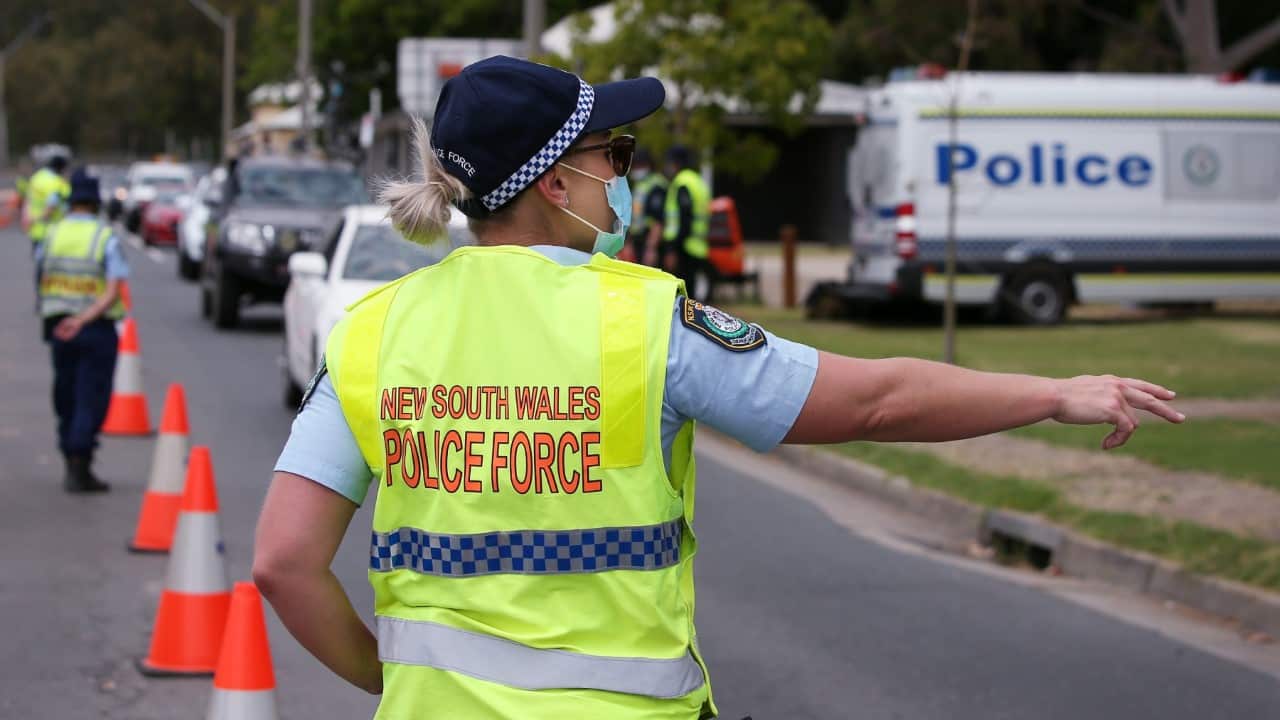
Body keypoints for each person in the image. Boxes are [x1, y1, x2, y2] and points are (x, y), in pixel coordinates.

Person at [252, 56, 1184, 720]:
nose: (624, 174)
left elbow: (285, 563)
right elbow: (874, 403)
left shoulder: (374, 334)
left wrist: (399, 686)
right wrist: (1053, 393)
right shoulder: (644, 320)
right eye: (614, 154)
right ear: (552, 182)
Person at [36, 168, 128, 493]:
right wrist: (85, 318)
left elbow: (41, 277)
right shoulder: (104, 237)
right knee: (91, 396)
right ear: (95, 202)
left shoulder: (52, 233)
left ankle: (71, 456)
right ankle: (80, 462)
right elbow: (113, 290)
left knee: (66, 394)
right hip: (95, 329)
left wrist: (54, 317)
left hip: (58, 327)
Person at [658, 145, 714, 302]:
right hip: (699, 246)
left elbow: (684, 220)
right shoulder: (698, 182)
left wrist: (672, 250)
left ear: (676, 163)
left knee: (683, 300)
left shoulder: (682, 183)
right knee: (693, 302)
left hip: (684, 248)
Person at [23, 154, 71, 253]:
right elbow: (51, 207)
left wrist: (28, 218)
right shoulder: (56, 182)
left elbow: (28, 199)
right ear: (61, 168)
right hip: (51, 231)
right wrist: (38, 219)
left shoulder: (37, 177)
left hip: (35, 229)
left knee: (38, 262)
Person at [629, 148, 667, 267]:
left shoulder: (657, 185)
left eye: (639, 165)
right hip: (639, 241)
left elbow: (658, 220)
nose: (636, 169)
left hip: (650, 241)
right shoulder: (641, 184)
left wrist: (651, 249)